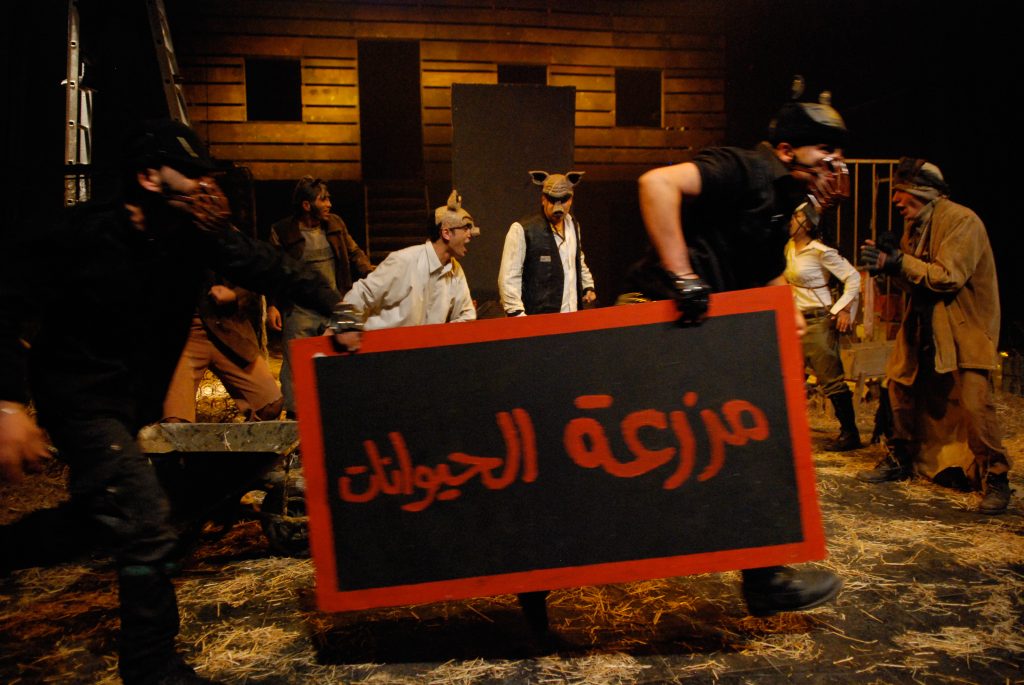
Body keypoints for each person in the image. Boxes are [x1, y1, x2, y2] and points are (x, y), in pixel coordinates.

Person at [0, 120, 358, 685]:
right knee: (146, 523)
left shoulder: (191, 236)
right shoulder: (82, 235)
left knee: (109, 518)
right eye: (190, 174)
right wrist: (7, 404)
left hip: (132, 400)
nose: (204, 187)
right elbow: (5, 305)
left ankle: (10, 549)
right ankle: (152, 667)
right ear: (148, 177)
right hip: (80, 399)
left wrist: (338, 309)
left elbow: (270, 266)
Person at [624, 91, 850, 617]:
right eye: (824, 150)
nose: (833, 163)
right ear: (788, 150)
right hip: (657, 317)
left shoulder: (782, 207)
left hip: (703, 334)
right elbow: (656, 185)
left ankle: (764, 577)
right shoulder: (744, 168)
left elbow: (766, 272)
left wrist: (788, 312)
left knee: (752, 438)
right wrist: (684, 276)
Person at [857, 158, 1012, 514]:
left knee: (974, 403)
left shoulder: (962, 221)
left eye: (902, 192)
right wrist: (887, 266)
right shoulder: (915, 226)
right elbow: (914, 282)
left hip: (964, 327)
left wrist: (900, 261)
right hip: (923, 324)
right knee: (900, 385)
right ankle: (900, 459)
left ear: (923, 192)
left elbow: (947, 277)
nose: (896, 200)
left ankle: (996, 477)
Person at [268, 177, 373, 417]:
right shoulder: (283, 231)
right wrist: (272, 305)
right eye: (323, 199)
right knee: (296, 365)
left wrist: (374, 275)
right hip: (299, 309)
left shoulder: (334, 224)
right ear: (306, 205)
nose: (329, 204)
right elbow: (273, 270)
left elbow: (354, 253)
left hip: (332, 306)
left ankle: (336, 411)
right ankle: (296, 416)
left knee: (338, 360)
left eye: (328, 199)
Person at [784, 208, 862, 451]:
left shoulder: (820, 251)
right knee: (791, 375)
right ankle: (792, 429)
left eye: (797, 216)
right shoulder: (788, 248)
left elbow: (853, 278)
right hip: (793, 318)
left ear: (808, 224)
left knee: (830, 378)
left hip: (817, 319)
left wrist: (841, 308)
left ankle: (850, 433)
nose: (791, 220)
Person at [342, 190, 478, 329]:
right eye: (465, 228)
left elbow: (467, 315)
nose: (470, 235)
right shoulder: (404, 260)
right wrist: (342, 329)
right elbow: (362, 293)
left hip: (423, 343)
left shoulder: (455, 270)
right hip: (384, 341)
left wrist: (441, 337)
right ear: (446, 233)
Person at [162, 274, 283, 423]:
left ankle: (244, 436)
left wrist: (235, 294)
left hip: (227, 328)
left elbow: (254, 276)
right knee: (175, 423)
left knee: (270, 405)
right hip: (187, 335)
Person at [498, 171, 597, 316]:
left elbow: (577, 259)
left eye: (563, 200)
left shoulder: (572, 225)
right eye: (552, 200)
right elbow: (509, 277)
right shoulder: (523, 230)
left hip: (572, 316)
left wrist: (587, 286)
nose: (558, 206)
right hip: (538, 318)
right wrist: (517, 314)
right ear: (543, 199)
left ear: (571, 199)